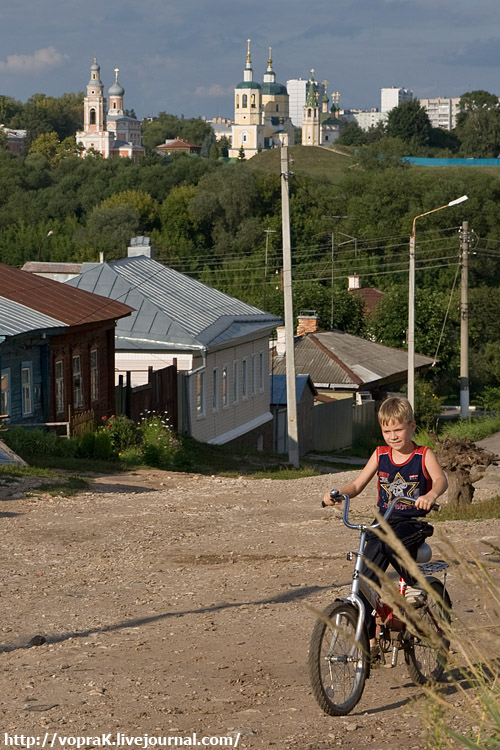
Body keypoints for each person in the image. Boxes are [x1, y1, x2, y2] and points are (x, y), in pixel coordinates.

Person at [322, 395, 448, 661]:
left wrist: (431, 495)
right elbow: (356, 486)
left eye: (398, 429)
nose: (392, 436)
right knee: (364, 577)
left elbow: (440, 480)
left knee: (392, 543)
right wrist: (338, 493)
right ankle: (370, 641)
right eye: (387, 431)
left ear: (412, 427)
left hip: (411, 523)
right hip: (383, 523)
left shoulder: (422, 455)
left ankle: (415, 584)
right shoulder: (380, 455)